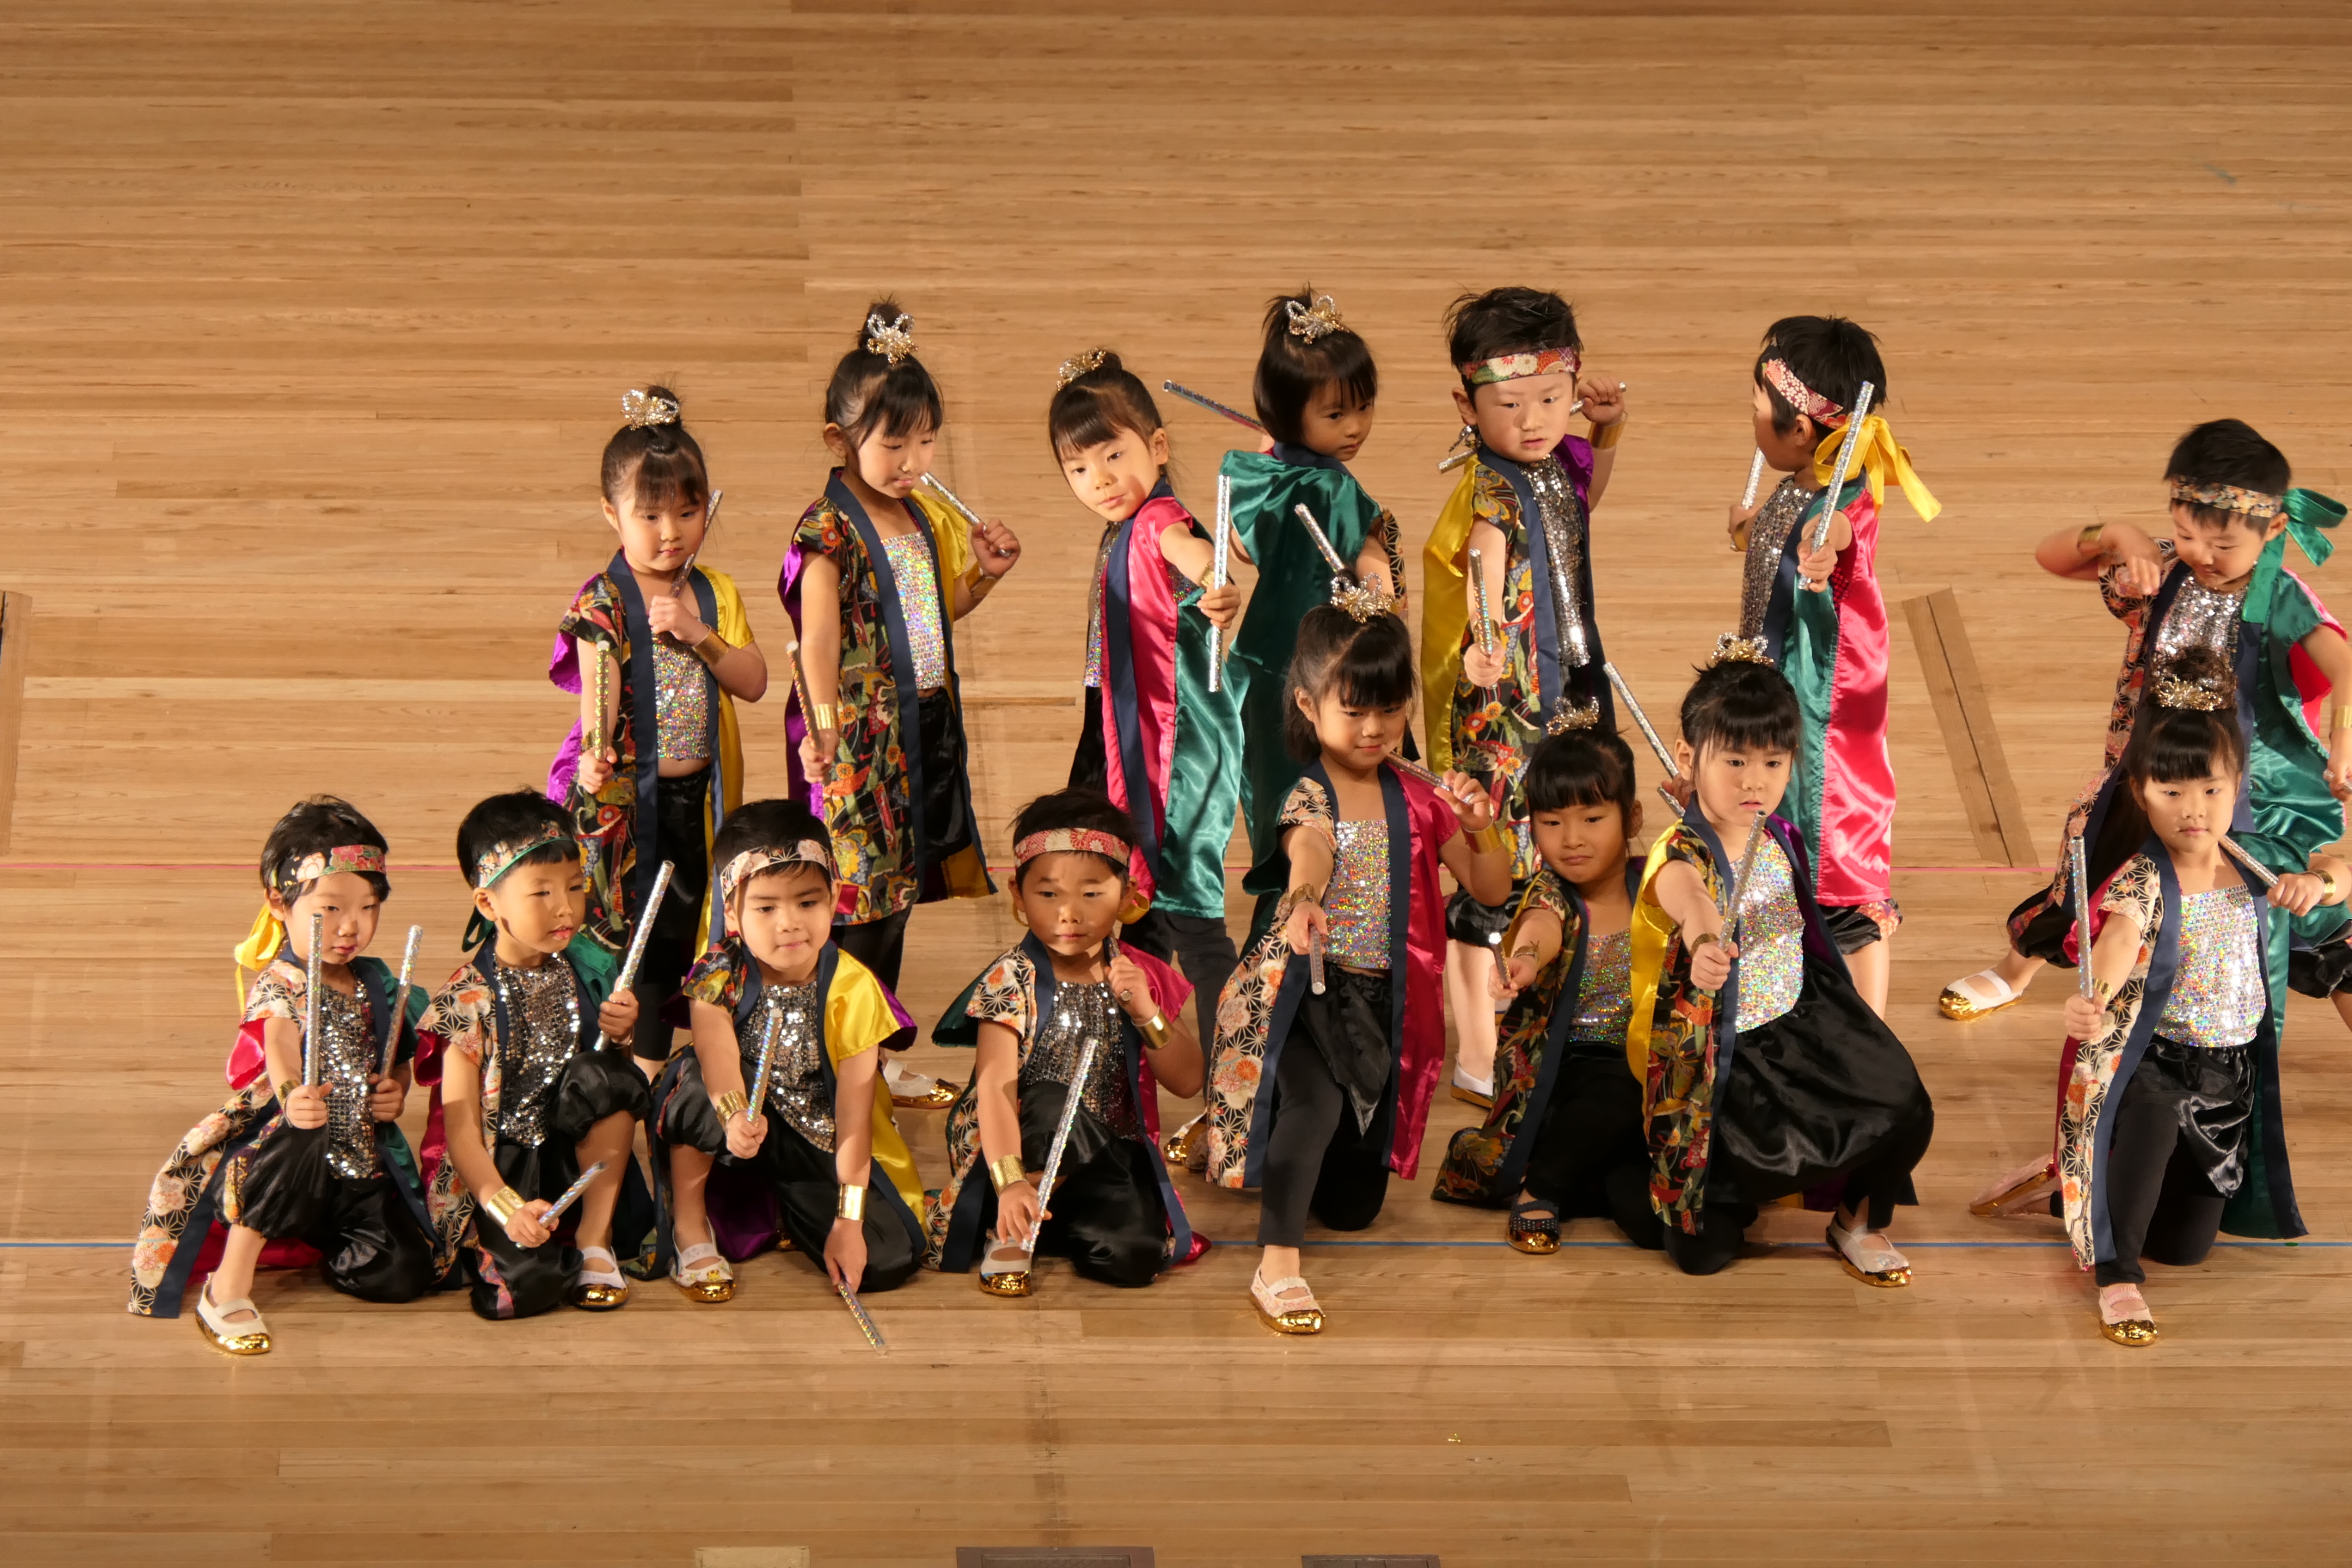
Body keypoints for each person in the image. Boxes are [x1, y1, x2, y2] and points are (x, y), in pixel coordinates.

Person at [1942, 420, 2349, 1032]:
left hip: (2242, 794)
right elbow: (2051, 555)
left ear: (2273, 529)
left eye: (2223, 544)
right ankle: (2017, 968)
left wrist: (2343, 742)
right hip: (2147, 774)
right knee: (2094, 868)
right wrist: (2114, 534)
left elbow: (2345, 668)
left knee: (2293, 913)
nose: (2201, 554)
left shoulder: (2282, 599)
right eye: (2186, 534)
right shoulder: (2163, 571)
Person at [1205, 604, 1511, 1334]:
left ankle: (1278, 1134)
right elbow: (1310, 850)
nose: (1374, 728)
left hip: (1383, 1004)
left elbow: (1490, 888)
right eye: (1354, 711)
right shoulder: (1310, 794)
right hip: (1306, 989)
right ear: (1308, 706)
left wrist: (1480, 829)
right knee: (1317, 1106)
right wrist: (1305, 899)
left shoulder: (1423, 797)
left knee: (1352, 1209)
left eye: (1389, 709)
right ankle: (1277, 1266)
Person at [2056, 648, 2341, 1344]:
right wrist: (2091, 1003)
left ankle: (2089, 1179)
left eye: (2211, 790)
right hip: (2160, 1066)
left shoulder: (2257, 865)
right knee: (2151, 1128)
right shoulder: (2143, 881)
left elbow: (2340, 868)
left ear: (2237, 785)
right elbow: (2117, 945)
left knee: (2184, 1248)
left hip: (2230, 1076)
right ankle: (2116, 1276)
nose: (2194, 810)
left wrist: (2320, 884)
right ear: (2140, 793)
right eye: (2172, 791)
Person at [1629, 648, 1933, 1281]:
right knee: (1703, 1256)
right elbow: (1688, 897)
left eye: (1772, 762)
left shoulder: (1781, 834)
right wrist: (1703, 940)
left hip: (1802, 1013)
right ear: (1687, 757)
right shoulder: (1678, 852)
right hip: (1725, 1053)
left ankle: (1856, 1222)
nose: (1754, 782)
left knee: (1904, 1104)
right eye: (1734, 761)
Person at [781, 301, 1020, 1108]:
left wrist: (983, 575)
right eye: (894, 443)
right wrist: (822, 733)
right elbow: (818, 640)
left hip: (921, 735)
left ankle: (872, 1057)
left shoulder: (918, 516)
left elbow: (926, 617)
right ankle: (832, 1060)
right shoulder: (827, 529)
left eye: (925, 441)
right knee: (857, 906)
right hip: (857, 745)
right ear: (838, 440)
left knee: (896, 901)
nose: (913, 461)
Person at [1419, 285, 1630, 1107]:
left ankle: (1542, 1016)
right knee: (1495, 878)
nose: (1535, 419)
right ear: (1467, 407)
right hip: (1508, 711)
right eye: (1511, 405)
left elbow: (1584, 502)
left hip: (1568, 690)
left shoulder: (1557, 467)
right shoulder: (1491, 494)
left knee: (1559, 859)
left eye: (1552, 398)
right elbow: (1482, 568)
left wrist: (1606, 432)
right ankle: (1477, 1048)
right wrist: (1480, 645)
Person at [130, 798, 434, 1353]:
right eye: (331, 908)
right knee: (302, 1133)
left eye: (368, 908)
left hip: (359, 1162)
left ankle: (319, 1239)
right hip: (289, 1153)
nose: (351, 926)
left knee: (404, 1272)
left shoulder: (377, 982)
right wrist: (294, 1094)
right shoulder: (284, 982)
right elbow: (279, 1045)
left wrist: (395, 1091)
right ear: (279, 902)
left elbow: (397, 1056)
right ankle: (227, 1287)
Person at [1050, 346, 1246, 1170]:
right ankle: (1136, 1095)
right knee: (1139, 928)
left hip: (1170, 761)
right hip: (1120, 743)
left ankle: (1239, 1099)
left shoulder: (1161, 520)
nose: (1098, 477)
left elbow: (1205, 562)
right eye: (1078, 466)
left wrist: (1221, 588)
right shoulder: (1121, 527)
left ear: (1158, 447)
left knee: (1189, 921)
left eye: (1113, 454)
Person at [1722, 317, 1940, 1014]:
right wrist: (1753, 529)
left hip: (1823, 719)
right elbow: (1784, 538)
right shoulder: (1799, 481)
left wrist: (1829, 545)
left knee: (1837, 875)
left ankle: (1869, 1031)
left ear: (1799, 430)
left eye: (1758, 409)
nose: (1752, 418)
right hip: (1776, 699)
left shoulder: (1844, 502)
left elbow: (1841, 531)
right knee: (1778, 856)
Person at [549, 385, 767, 1073]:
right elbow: (599, 705)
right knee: (629, 943)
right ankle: (625, 1073)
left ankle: (668, 1068)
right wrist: (594, 757)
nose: (671, 531)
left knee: (685, 935)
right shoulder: (604, 600)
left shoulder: (714, 593)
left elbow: (754, 681)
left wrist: (698, 633)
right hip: (625, 812)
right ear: (611, 513)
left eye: (688, 512)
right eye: (649, 516)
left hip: (699, 805)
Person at [926, 789, 1206, 1297]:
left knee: (1134, 1259)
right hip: (1017, 1145)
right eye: (1049, 894)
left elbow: (1188, 1081)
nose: (1069, 914)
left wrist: (1146, 1012)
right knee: (1056, 1102)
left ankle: (1049, 1219)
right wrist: (1010, 1179)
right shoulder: (1012, 978)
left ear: (1127, 894)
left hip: (1105, 1153)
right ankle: (1011, 1221)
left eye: (1091, 894)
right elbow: (994, 1088)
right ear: (1018, 893)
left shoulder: (1142, 975)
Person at [648, 799, 928, 1302]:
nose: (789, 923)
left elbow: (854, 1114)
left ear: (834, 897)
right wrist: (733, 1114)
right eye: (766, 907)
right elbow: (716, 1056)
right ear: (732, 910)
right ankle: (690, 1226)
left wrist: (848, 1221)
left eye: (807, 902)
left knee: (889, 1257)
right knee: (690, 1083)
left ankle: (785, 1209)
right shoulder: (718, 971)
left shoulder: (854, 988)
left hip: (819, 1135)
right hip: (739, 1124)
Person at [415, 790, 651, 1320]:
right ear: (488, 904)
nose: (565, 907)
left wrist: (622, 1036)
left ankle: (595, 1238)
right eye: (541, 892)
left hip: (572, 1155)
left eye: (575, 886)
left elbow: (611, 1082)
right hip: (501, 1167)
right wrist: (504, 1205)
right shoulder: (465, 1000)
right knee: (520, 1291)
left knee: (608, 1076)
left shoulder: (589, 966)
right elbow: (461, 1129)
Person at [1430, 731, 1661, 1255]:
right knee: (1619, 1087)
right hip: (1567, 1071)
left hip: (1646, 1067)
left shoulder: (1653, 886)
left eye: (1592, 819)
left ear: (1632, 818)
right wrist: (1525, 960)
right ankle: (1541, 1189)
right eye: (1552, 823)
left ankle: (1585, 1170)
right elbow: (1540, 927)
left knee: (1648, 1223)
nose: (1571, 839)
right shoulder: (1551, 893)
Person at [1216, 290, 1406, 915]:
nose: (1355, 427)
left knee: (1280, 811)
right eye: (1335, 414)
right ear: (1286, 411)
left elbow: (1242, 548)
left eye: (1364, 408)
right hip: (1325, 678)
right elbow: (1376, 572)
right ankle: (1336, 921)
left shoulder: (1257, 472)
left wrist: (1275, 451)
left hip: (1261, 668)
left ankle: (1282, 923)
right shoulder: (1334, 489)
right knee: (1338, 805)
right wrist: (1383, 603)